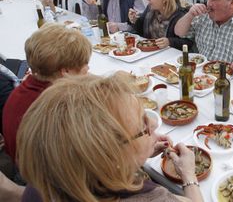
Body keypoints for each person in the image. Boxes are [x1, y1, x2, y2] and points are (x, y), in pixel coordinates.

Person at [17, 73, 204, 201]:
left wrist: (137, 152)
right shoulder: (152, 198)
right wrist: (188, 174)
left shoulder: (43, 182)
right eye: (143, 125)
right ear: (112, 152)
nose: (154, 124)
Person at [2, 24, 91, 163]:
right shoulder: (56, 107)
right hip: (44, 179)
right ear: (65, 72)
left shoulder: (24, 89)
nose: (88, 69)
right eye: (84, 64)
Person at [128, 0, 192, 50]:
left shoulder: (180, 13)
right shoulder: (151, 8)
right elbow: (142, 32)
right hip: (151, 54)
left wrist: (170, 42)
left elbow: (189, 43)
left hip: (169, 57)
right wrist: (135, 20)